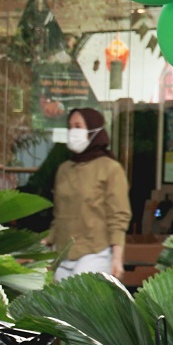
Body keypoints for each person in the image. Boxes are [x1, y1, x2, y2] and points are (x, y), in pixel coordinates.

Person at [49, 107, 131, 281]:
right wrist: (46, 241)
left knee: (80, 295)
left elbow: (119, 216)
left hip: (95, 252)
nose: (73, 132)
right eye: (70, 127)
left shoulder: (110, 168)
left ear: (94, 130)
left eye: (78, 126)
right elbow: (59, 215)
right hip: (62, 253)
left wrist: (117, 258)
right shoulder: (64, 169)